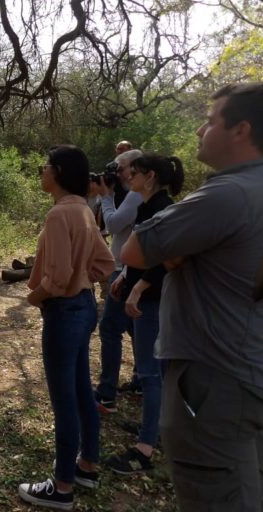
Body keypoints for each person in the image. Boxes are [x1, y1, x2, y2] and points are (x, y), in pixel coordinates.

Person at [121, 83, 263, 511]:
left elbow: (134, 249)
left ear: (240, 129)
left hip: (215, 380)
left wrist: (176, 251)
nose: (201, 129)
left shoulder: (228, 194)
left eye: (211, 119)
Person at [18, 145, 115, 510]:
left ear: (57, 171)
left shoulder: (60, 214)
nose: (41, 172)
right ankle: (87, 465)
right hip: (85, 307)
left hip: (63, 312)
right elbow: (106, 263)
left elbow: (56, 279)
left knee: (64, 402)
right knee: (81, 391)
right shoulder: (84, 210)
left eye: (44, 166)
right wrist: (81, 279)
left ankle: (61, 488)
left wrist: (36, 297)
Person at [104, 153, 183, 475]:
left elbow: (171, 259)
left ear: (149, 176)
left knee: (150, 374)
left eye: (133, 173)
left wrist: (138, 288)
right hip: (148, 296)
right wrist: (126, 276)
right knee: (157, 373)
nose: (128, 177)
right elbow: (145, 255)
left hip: (152, 302)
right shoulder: (150, 206)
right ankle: (156, 431)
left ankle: (144, 451)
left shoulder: (163, 209)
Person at [89, 149, 144, 413]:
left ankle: (106, 394)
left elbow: (111, 225)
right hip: (132, 268)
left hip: (125, 269)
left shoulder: (135, 195)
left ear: (136, 168)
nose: (116, 173)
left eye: (120, 168)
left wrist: (106, 196)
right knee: (136, 329)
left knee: (110, 329)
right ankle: (141, 380)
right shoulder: (135, 194)